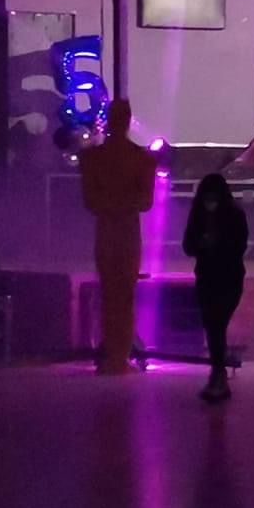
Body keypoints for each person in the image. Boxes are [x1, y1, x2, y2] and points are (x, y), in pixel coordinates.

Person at [79, 99, 158, 375]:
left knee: (114, 292)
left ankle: (115, 355)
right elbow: (144, 201)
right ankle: (117, 355)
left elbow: (93, 201)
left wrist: (110, 204)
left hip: (111, 230)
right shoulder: (141, 159)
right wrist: (123, 203)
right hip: (123, 231)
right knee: (122, 294)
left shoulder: (93, 159)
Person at [183, 175, 248, 403]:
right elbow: (187, 245)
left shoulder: (235, 216)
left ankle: (218, 374)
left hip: (229, 278)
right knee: (213, 326)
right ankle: (217, 374)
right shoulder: (198, 216)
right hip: (207, 278)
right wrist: (202, 243)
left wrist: (217, 244)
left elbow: (239, 246)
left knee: (216, 324)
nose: (209, 202)